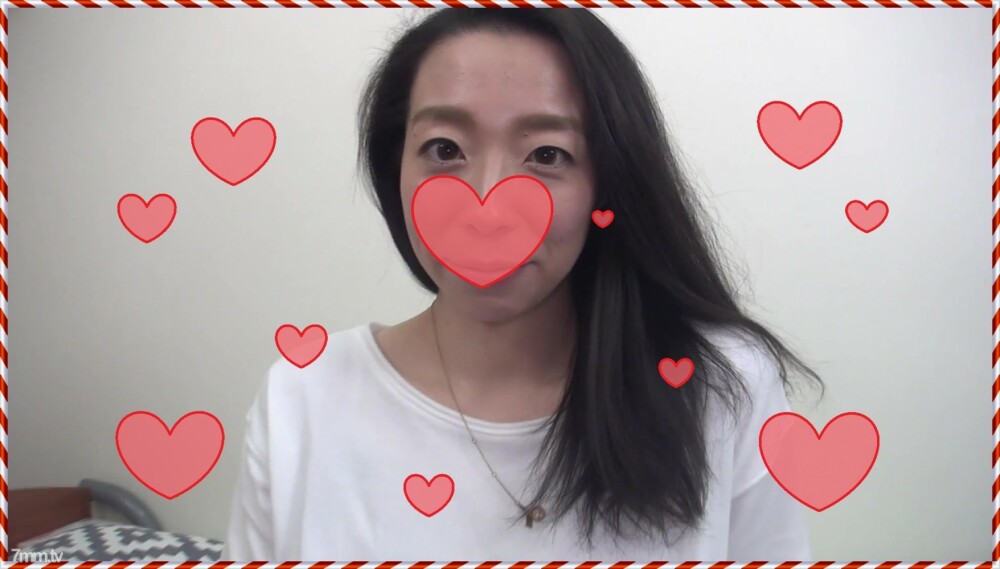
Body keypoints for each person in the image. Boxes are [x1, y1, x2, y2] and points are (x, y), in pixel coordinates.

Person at [223, 9, 822, 561]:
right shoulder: (302, 398)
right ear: (393, 169)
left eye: (547, 155)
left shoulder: (723, 388)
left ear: (607, 187)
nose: (486, 205)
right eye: (444, 149)